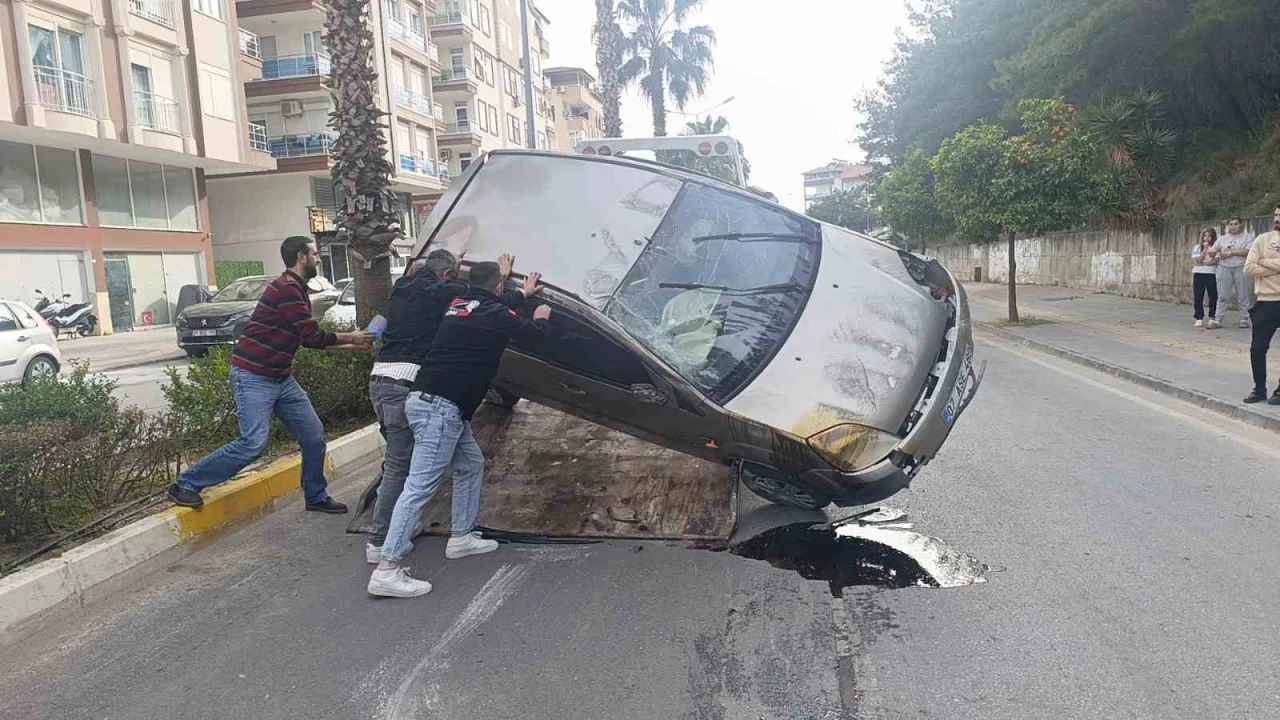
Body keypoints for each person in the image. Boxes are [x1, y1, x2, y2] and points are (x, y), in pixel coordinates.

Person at [368, 261, 551, 598]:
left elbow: (495, 308)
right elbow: (531, 334)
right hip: (441, 408)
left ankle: (462, 537)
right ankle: (387, 568)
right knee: (419, 486)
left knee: (470, 465)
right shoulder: (492, 311)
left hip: (434, 402)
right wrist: (538, 315)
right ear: (498, 286)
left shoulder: (458, 305)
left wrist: (521, 293)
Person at [167, 237, 374, 511]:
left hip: (280, 378)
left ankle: (315, 496)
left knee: (313, 436)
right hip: (253, 376)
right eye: (314, 253)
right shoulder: (286, 289)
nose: (318, 259)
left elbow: (306, 340)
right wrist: (353, 337)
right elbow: (312, 334)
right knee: (253, 443)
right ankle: (185, 485)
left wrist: (352, 347)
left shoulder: (296, 289)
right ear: (301, 257)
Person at [1242, 207, 1280, 404]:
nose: (1277, 218)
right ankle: (1259, 389)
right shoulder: (1262, 239)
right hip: (1265, 301)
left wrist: (1265, 262)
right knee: (1257, 348)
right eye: (1276, 214)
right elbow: (1248, 267)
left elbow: (1257, 265)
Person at [1214, 217, 1255, 329]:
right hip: (1224, 267)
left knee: (1243, 294)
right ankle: (1217, 319)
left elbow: (1248, 251)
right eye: (1231, 224)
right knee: (1223, 295)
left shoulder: (1247, 237)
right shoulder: (1222, 238)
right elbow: (1213, 250)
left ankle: (1244, 318)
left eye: (1235, 224)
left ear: (1240, 225)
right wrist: (1215, 252)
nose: (1233, 226)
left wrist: (1231, 252)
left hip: (1241, 267)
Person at [1192, 228, 1219, 328]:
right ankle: (1199, 317)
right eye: (1205, 235)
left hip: (1211, 273)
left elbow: (1216, 261)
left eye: (1209, 236)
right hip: (1198, 273)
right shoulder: (1197, 247)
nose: (1207, 238)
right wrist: (1205, 249)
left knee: (1213, 295)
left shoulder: (1216, 248)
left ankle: (1212, 316)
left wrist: (1205, 263)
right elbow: (1197, 261)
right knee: (1198, 295)